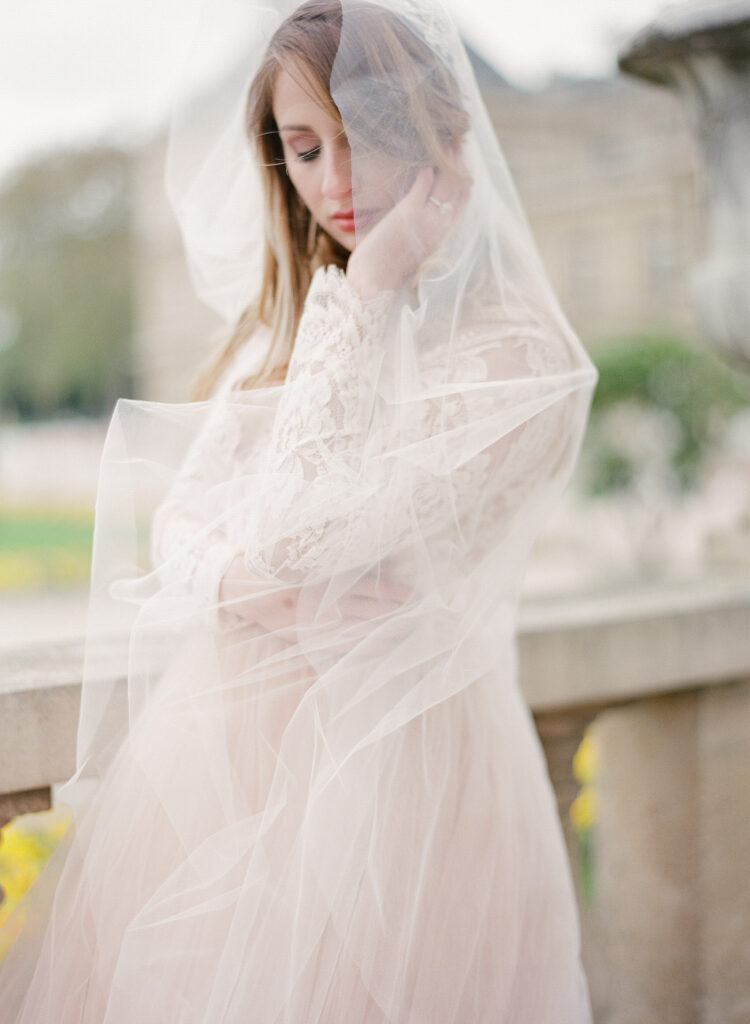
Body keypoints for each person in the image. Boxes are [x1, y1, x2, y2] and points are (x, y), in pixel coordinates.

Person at [0, 1, 597, 1020]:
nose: (335, 183)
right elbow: (184, 526)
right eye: (306, 149)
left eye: (361, 139)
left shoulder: (516, 363)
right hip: (231, 769)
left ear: (445, 143)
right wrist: (251, 588)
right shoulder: (279, 333)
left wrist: (371, 293)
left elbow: (298, 533)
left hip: (407, 778)